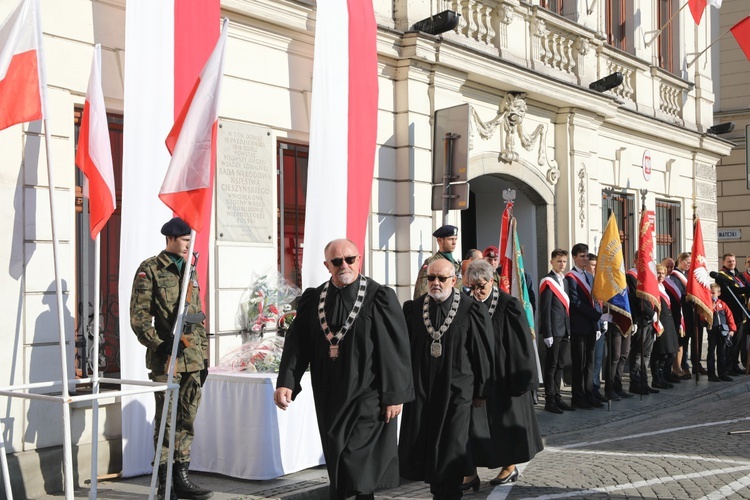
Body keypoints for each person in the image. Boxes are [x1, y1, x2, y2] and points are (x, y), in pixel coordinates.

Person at [274, 238, 414, 500]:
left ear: (358, 259)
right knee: (339, 459)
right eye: (337, 261)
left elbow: (395, 348)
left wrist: (395, 395)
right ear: (327, 265)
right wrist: (287, 381)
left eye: (350, 259)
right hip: (330, 394)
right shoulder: (314, 299)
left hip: (368, 393)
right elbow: (297, 343)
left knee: (357, 462)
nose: (344, 265)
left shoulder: (378, 296)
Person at [130, 217, 212, 500]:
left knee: (187, 419)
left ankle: (182, 477)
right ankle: (164, 482)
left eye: (191, 241)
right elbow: (139, 318)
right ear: (170, 239)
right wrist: (162, 345)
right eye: (185, 240)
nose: (189, 245)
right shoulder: (150, 269)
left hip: (193, 356)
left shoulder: (191, 270)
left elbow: (197, 317)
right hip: (167, 358)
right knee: (167, 421)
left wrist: (203, 358)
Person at [400, 259, 493, 500]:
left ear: (454, 281)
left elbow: (482, 353)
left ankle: (449, 494)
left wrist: (481, 390)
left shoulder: (471, 310)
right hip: (423, 392)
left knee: (452, 446)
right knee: (428, 445)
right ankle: (438, 492)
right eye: (431, 278)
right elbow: (403, 352)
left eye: (441, 278)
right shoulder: (414, 309)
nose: (435, 283)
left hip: (457, 393)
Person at [460, 259, 543, 490]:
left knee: (504, 427)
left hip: (503, 378)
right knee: (470, 428)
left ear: (492, 281)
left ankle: (509, 466)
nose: (476, 292)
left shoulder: (509, 304)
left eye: (481, 287)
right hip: (476, 378)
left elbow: (520, 344)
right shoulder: (466, 305)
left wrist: (522, 379)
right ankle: (470, 473)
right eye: (472, 287)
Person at [565, 243, 602, 409]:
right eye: (582, 256)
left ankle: (588, 392)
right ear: (574, 258)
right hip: (579, 326)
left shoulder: (588, 276)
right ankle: (577, 396)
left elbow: (594, 299)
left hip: (591, 325)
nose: (585, 259)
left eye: (587, 256)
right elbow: (575, 302)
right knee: (579, 363)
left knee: (590, 362)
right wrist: (596, 314)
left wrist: (600, 319)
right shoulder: (571, 277)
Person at [538, 249, 575, 413]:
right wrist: (547, 333)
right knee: (551, 366)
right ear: (552, 261)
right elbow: (545, 309)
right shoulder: (547, 281)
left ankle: (558, 397)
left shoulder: (565, 281)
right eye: (559, 261)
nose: (562, 264)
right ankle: (550, 400)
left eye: (564, 261)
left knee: (560, 364)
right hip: (553, 331)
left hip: (565, 329)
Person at [626, 253, 659, 396]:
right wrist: (650, 313)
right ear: (635, 261)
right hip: (640, 319)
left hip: (650, 321)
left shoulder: (648, 276)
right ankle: (636, 383)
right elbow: (637, 298)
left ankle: (645, 382)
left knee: (647, 354)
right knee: (638, 354)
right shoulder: (631, 276)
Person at [716, 253, 749, 375]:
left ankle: (735, 364)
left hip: (741, 312)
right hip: (730, 312)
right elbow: (733, 291)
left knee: (738, 341)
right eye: (729, 261)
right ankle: (728, 366)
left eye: (733, 261)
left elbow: (746, 286)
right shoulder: (721, 276)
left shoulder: (738, 275)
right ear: (723, 262)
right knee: (730, 341)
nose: (732, 263)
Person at [651, 264, 680, 389]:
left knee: (672, 352)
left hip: (668, 321)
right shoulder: (653, 287)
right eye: (658, 273)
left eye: (663, 273)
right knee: (660, 352)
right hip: (659, 321)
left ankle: (665, 374)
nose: (661, 275)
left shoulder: (663, 286)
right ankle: (657, 378)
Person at [414, 225, 461, 299]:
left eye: (455, 239)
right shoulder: (432, 263)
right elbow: (421, 291)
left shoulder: (456, 264)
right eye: (450, 239)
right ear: (439, 241)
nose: (454, 242)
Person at [587, 253, 609, 403]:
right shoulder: (582, 280)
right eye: (593, 265)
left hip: (600, 324)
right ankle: (589, 389)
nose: (595, 268)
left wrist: (604, 317)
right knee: (590, 361)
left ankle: (595, 387)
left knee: (599, 359)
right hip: (588, 326)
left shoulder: (597, 281)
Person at [705, 283, 737, 382]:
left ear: (718, 293)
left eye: (713, 293)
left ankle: (722, 373)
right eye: (710, 293)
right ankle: (711, 374)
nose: (711, 295)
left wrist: (732, 329)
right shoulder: (707, 304)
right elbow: (703, 316)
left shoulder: (722, 304)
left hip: (722, 332)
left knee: (722, 353)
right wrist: (711, 307)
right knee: (711, 353)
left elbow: (729, 316)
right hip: (712, 331)